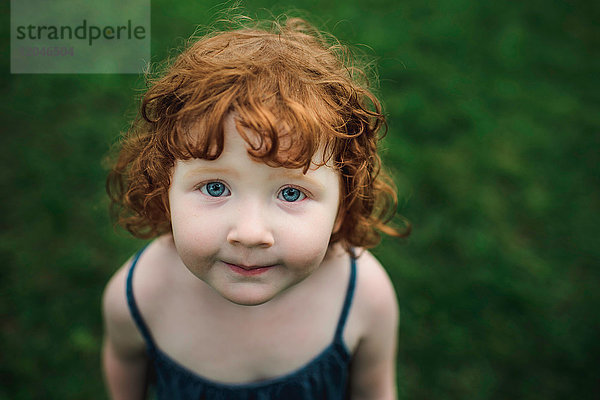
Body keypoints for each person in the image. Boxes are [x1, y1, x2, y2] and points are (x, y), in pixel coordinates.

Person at [102, 15, 409, 400]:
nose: (249, 232)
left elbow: (376, 390)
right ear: (166, 190)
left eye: (292, 194)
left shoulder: (363, 294)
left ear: (341, 209)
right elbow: (124, 364)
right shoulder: (140, 296)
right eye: (215, 187)